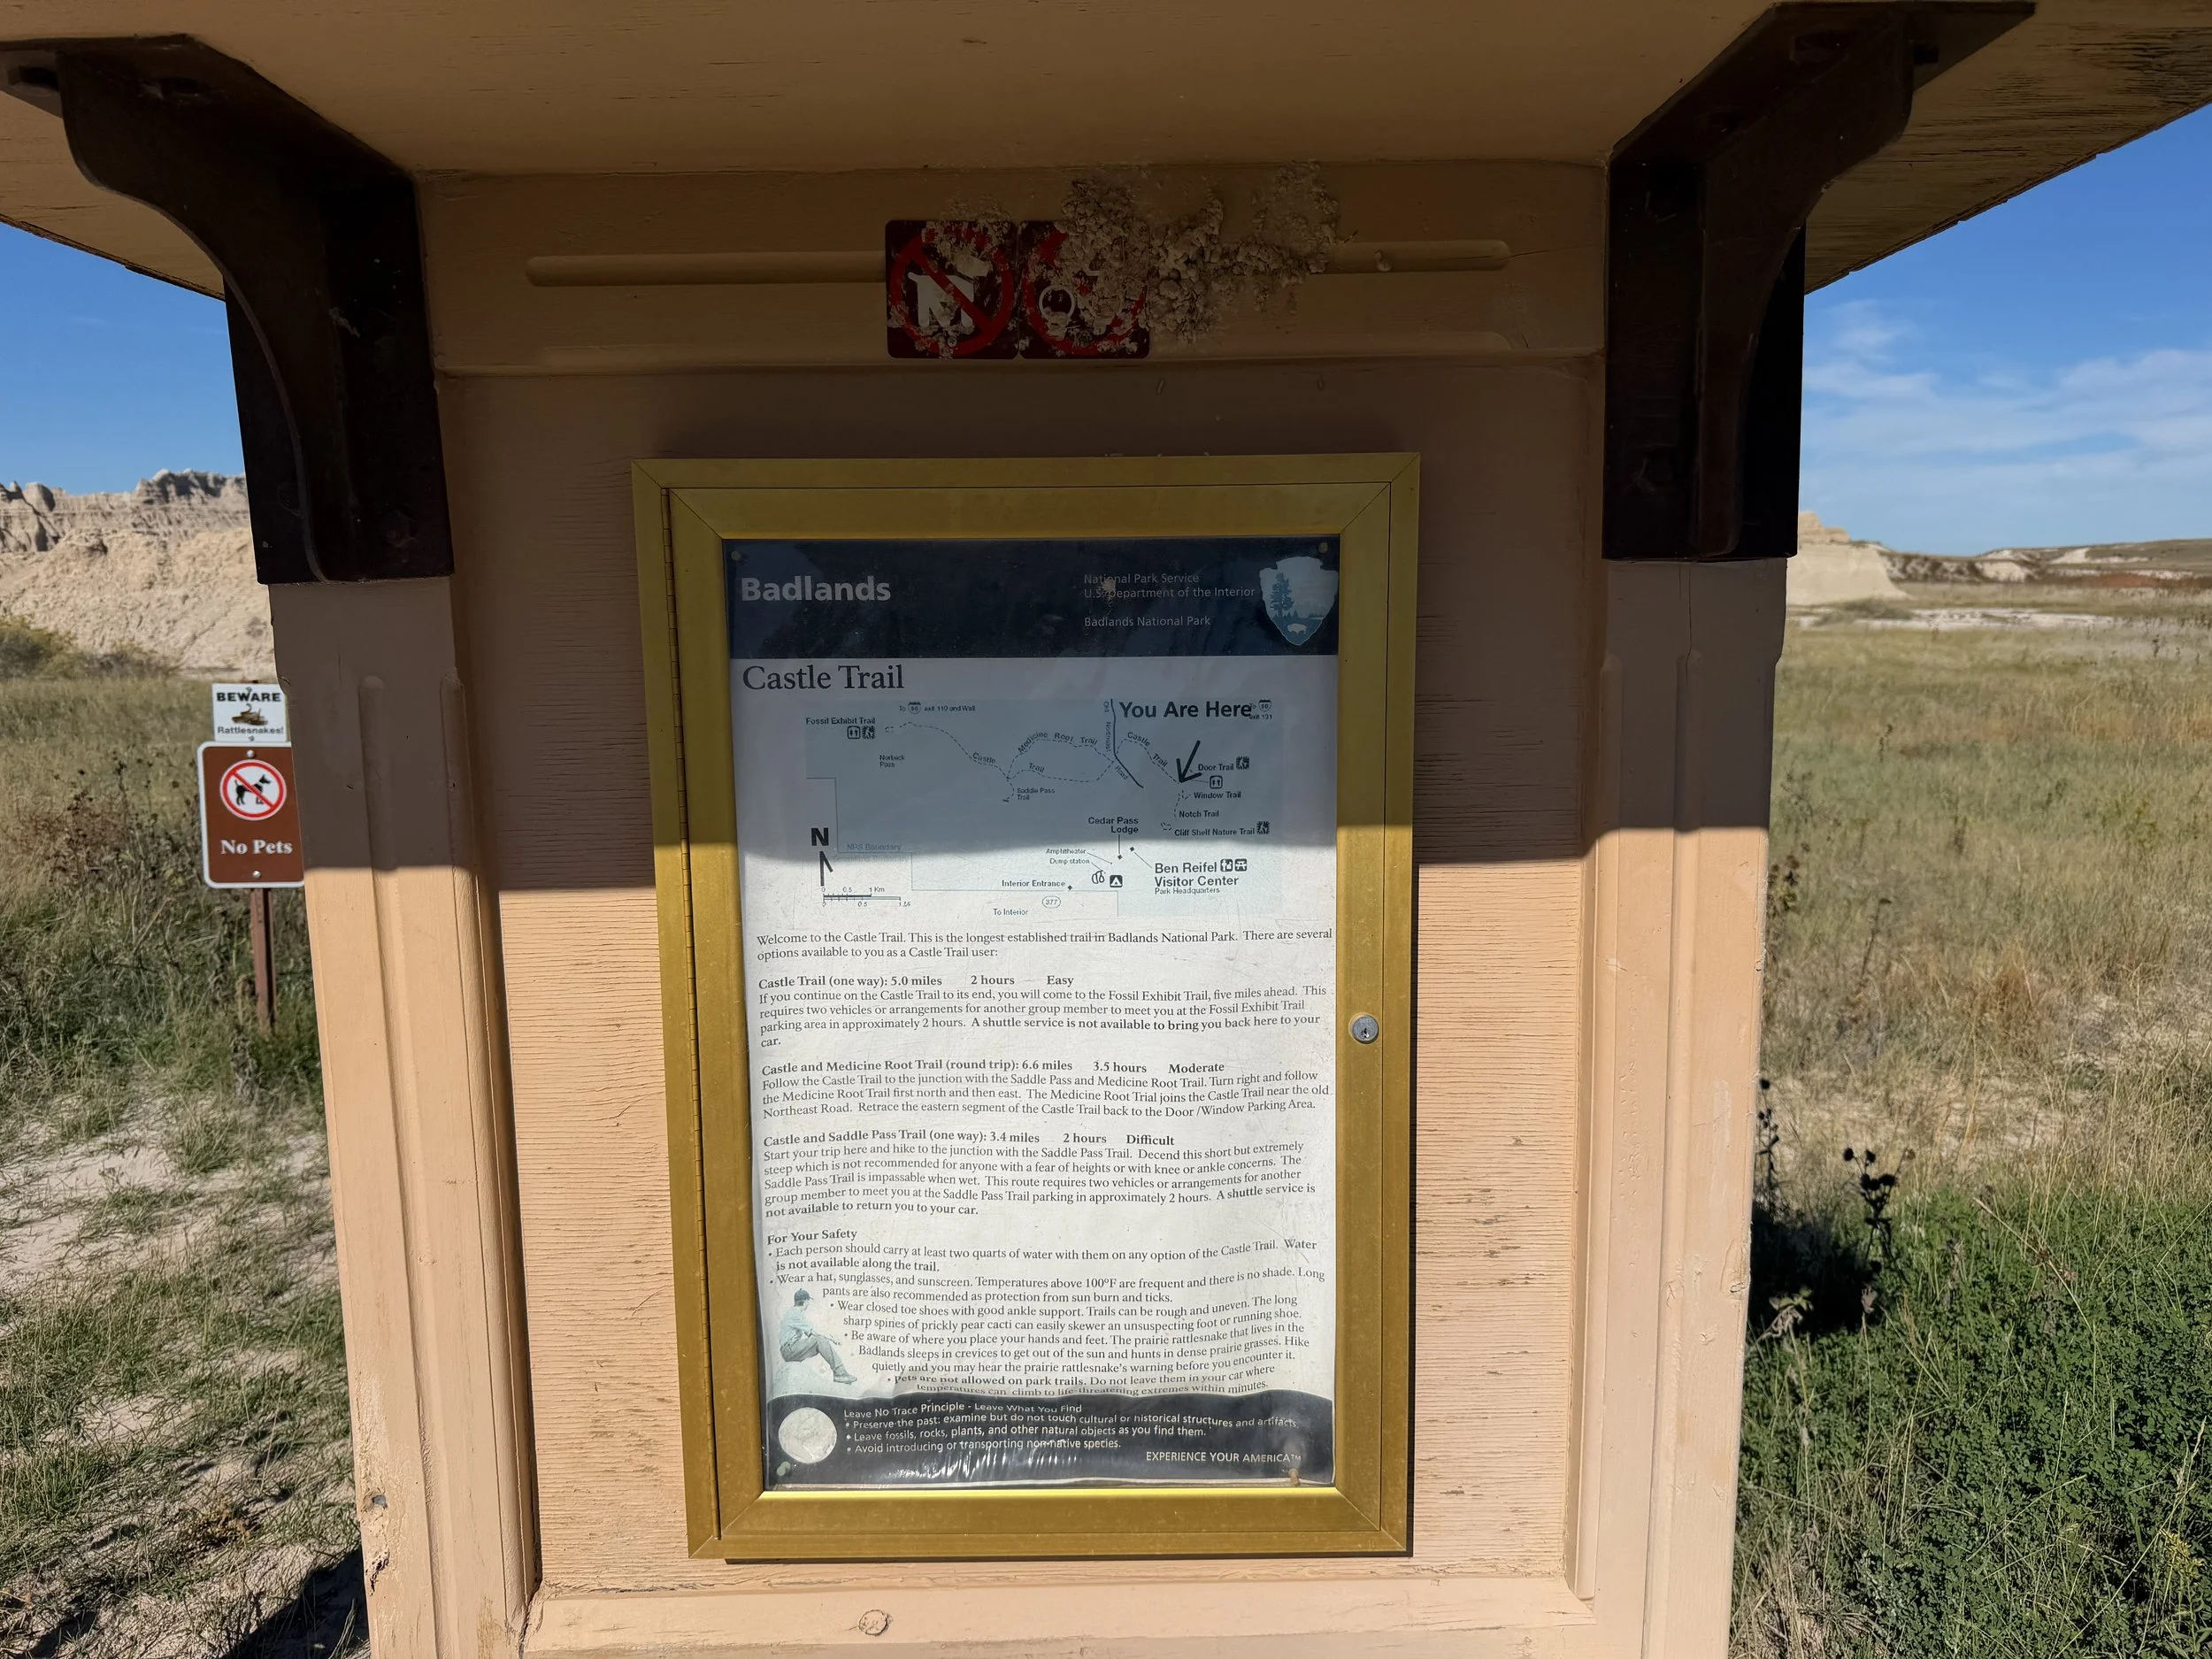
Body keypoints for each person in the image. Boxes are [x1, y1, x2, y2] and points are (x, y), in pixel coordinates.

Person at [778, 1289, 856, 1384]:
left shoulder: (793, 1312)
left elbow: (810, 1333)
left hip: (789, 1350)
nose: (809, 1304)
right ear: (806, 1301)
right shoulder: (795, 1313)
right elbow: (814, 1333)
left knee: (819, 1341)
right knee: (819, 1340)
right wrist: (832, 1338)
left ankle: (840, 1374)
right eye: (808, 1301)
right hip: (789, 1350)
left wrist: (827, 1339)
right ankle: (840, 1373)